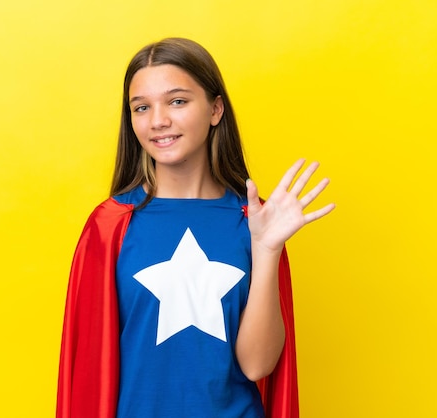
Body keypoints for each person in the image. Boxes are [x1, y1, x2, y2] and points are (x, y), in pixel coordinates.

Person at [56, 37, 335, 418]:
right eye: (142, 107)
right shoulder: (111, 225)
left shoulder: (254, 220)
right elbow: (88, 374)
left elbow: (257, 366)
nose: (158, 121)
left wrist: (267, 249)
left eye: (177, 101)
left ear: (215, 109)